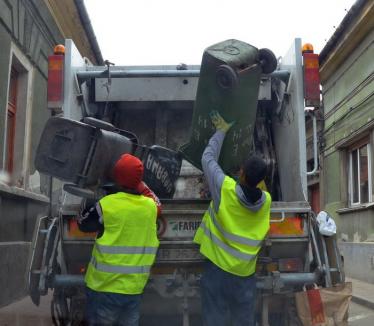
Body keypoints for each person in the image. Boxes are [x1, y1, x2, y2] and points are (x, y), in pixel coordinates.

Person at [194, 111, 271, 326]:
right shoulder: (266, 201)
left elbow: (207, 158)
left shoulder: (225, 189)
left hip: (217, 272)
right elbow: (255, 190)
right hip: (244, 275)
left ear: (242, 173)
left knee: (215, 320)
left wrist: (221, 131)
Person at [78, 153, 161, 326]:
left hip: (104, 287)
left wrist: (87, 201)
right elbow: (156, 201)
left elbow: (83, 225)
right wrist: (140, 183)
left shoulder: (106, 204)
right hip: (133, 290)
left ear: (117, 176)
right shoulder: (150, 207)